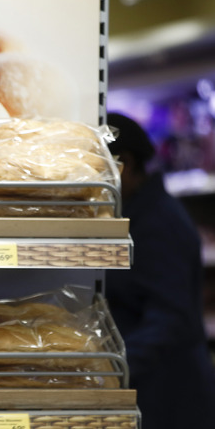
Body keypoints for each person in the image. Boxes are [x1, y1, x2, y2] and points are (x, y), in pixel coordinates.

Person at [105, 112, 215, 428]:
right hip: (150, 383)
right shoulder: (136, 214)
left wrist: (109, 370)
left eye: (101, 168)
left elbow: (171, 318)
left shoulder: (160, 223)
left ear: (125, 163)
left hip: (169, 395)